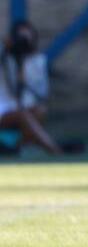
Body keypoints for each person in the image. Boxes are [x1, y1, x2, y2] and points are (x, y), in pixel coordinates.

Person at [0, 21, 64, 155]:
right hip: (4, 109)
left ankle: (14, 147)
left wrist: (25, 80)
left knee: (39, 111)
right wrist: (5, 48)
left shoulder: (37, 60)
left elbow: (42, 92)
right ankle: (54, 149)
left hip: (20, 106)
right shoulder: (5, 57)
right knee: (23, 115)